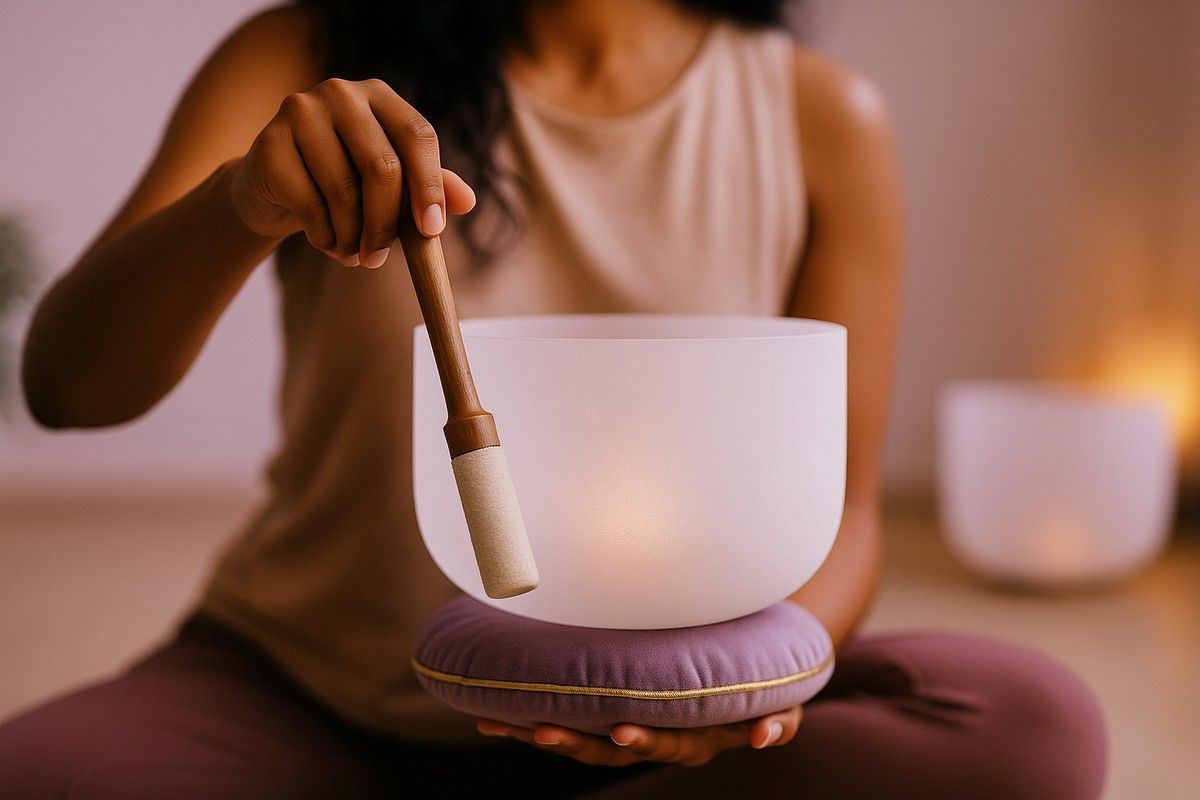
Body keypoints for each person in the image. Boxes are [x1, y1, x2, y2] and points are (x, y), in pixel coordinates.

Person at [2, 1, 1106, 797]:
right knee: (41, 773)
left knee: (1027, 723)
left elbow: (851, 511)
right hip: (311, 700)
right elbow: (65, 388)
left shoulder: (819, 117)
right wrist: (239, 205)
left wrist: (742, 694)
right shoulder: (304, 56)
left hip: (670, 720)